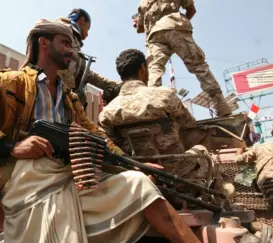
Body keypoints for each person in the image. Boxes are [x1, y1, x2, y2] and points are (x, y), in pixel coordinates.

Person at [0, 19, 227, 243]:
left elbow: (98, 138)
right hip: (22, 177)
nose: (71, 51)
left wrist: (135, 165)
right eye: (65, 43)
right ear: (44, 43)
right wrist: (10, 146)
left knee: (141, 185)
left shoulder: (68, 98)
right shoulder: (10, 83)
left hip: (66, 175)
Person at [99, 49, 234, 198]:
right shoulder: (165, 95)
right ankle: (222, 198)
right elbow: (189, 125)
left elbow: (107, 145)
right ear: (143, 69)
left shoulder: (107, 112)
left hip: (140, 176)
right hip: (178, 173)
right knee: (202, 150)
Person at [135, 0, 232, 117]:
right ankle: (222, 107)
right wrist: (179, 23)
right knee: (198, 66)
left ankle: (153, 109)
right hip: (175, 25)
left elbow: (140, 28)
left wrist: (139, 23)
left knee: (154, 70)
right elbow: (191, 10)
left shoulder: (143, 2)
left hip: (155, 35)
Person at [56, 8, 121, 107]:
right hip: (54, 94)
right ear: (82, 21)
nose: (87, 34)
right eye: (88, 28)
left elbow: (87, 75)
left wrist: (114, 85)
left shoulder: (75, 45)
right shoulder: (64, 30)